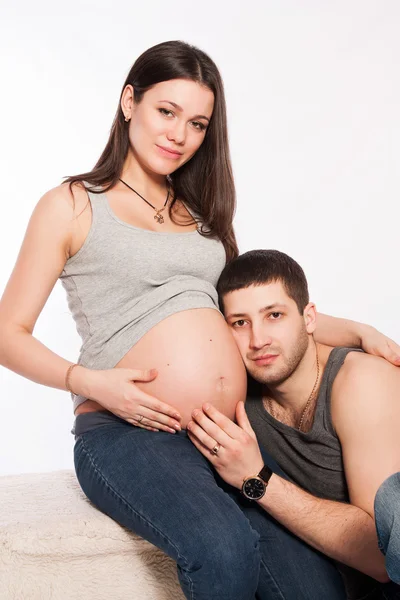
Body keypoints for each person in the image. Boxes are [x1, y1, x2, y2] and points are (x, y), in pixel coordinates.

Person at [0, 41, 399, 599]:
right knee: (222, 549)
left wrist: (357, 331)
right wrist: (87, 381)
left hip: (225, 436)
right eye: (166, 111)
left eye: (197, 123)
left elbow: (245, 314)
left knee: (314, 587)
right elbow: (7, 333)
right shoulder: (73, 203)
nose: (179, 134)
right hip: (128, 431)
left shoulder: (202, 216)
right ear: (128, 101)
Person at [187, 249, 400, 599]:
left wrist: (256, 478)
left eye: (274, 315)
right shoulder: (241, 385)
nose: (258, 341)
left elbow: (384, 558)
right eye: (240, 323)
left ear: (310, 317)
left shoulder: (362, 383)